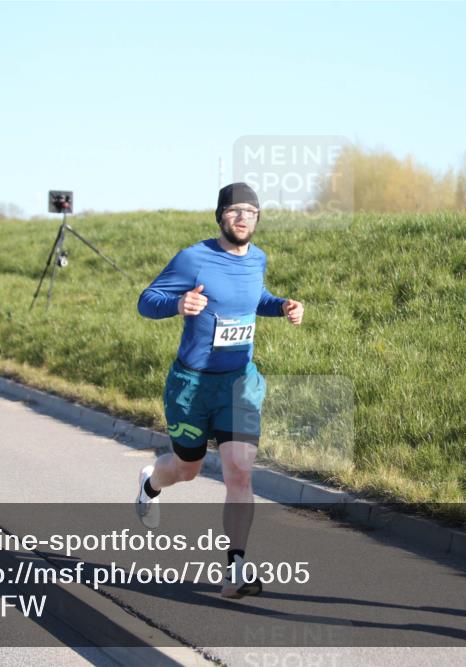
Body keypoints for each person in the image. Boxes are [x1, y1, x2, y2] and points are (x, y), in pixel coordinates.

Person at [135, 182, 304, 598]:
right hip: (191, 387)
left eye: (251, 211)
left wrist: (281, 305)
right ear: (220, 216)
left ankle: (235, 570)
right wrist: (178, 304)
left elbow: (255, 298)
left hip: (239, 384)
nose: (243, 217)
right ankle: (151, 483)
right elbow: (147, 300)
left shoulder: (258, 258)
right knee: (186, 469)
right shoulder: (194, 258)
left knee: (239, 472)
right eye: (235, 210)